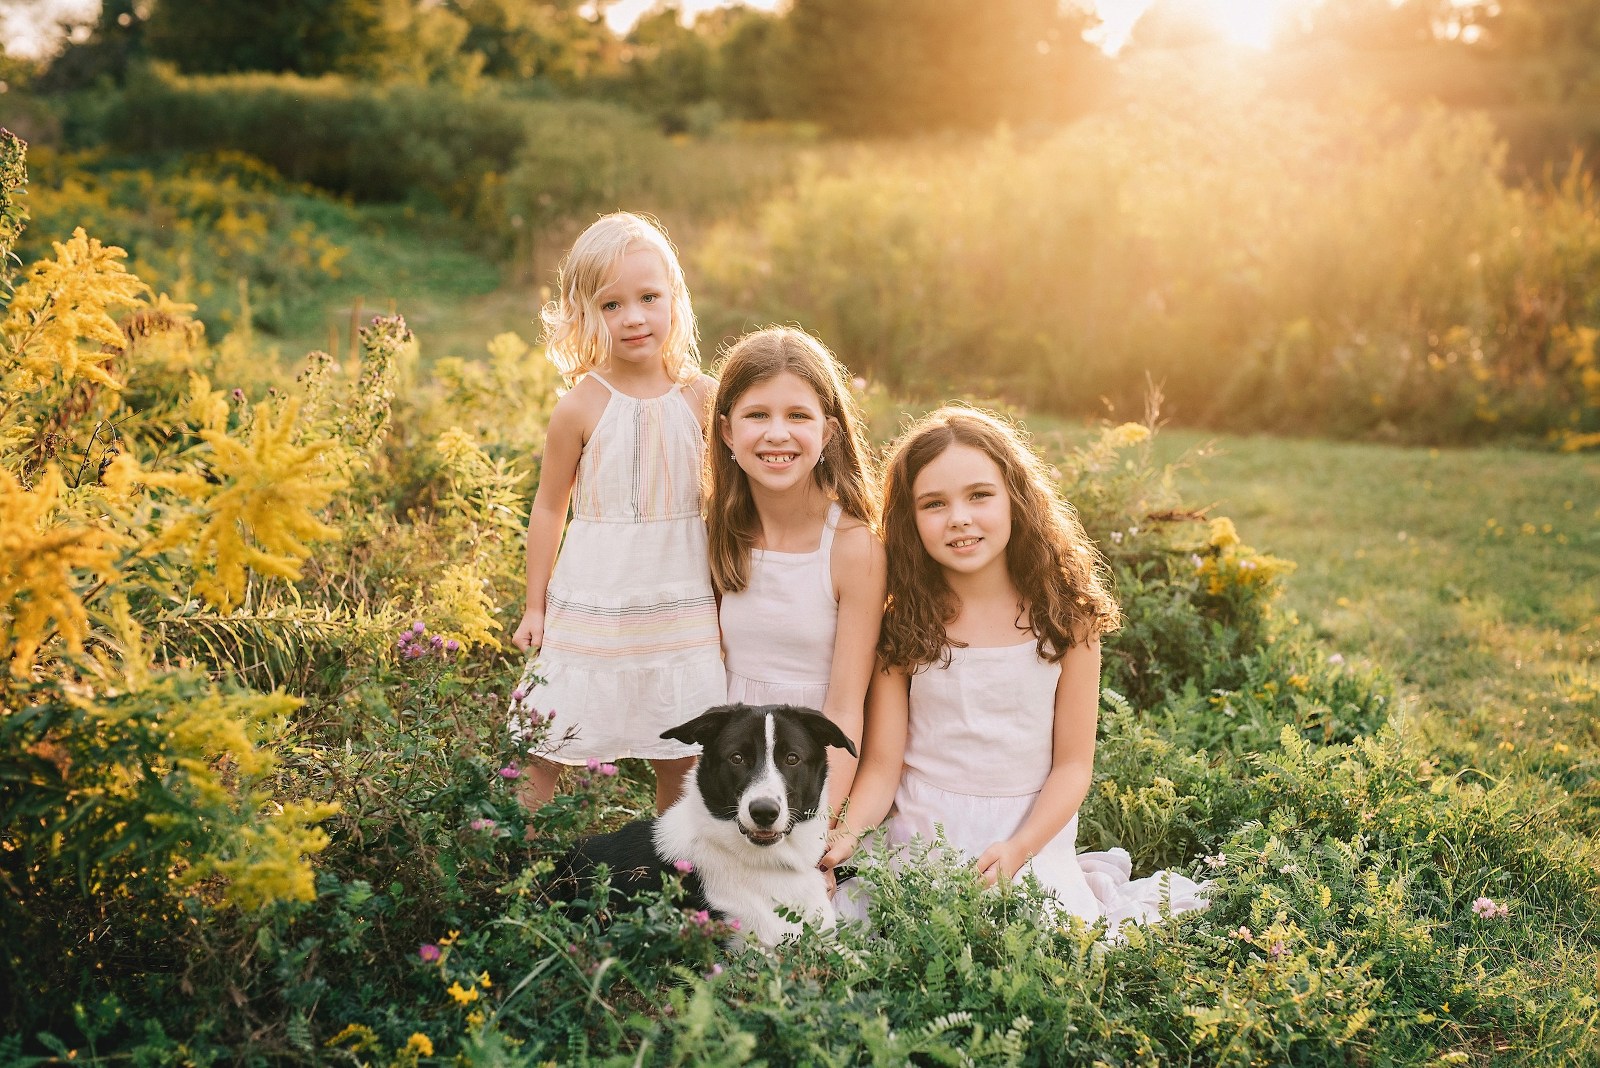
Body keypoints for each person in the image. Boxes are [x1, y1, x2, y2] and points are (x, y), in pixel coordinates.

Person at [822, 406, 1207, 926]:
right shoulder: (904, 624)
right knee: (887, 933)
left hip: (1026, 835)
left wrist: (1021, 847)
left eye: (979, 495)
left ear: (1015, 500)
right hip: (924, 833)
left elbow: (1073, 764)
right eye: (934, 504)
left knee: (1045, 936)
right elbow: (885, 765)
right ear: (910, 521)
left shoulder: (1067, 618)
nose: (959, 517)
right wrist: (844, 835)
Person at [508, 212, 725, 816]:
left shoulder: (702, 398)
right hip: (596, 592)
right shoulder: (580, 406)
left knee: (681, 750)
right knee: (548, 737)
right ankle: (516, 865)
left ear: (675, 300)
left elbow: (731, 501)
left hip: (678, 591)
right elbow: (549, 507)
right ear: (582, 313)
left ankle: (672, 873)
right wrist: (535, 604)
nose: (634, 317)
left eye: (649, 298)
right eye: (612, 304)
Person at [704, 327, 886, 816]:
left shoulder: (853, 550)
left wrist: (816, 824)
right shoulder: (720, 535)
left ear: (827, 433)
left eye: (798, 416)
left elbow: (847, 708)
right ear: (727, 431)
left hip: (811, 781)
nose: (777, 433)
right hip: (733, 778)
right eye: (757, 415)